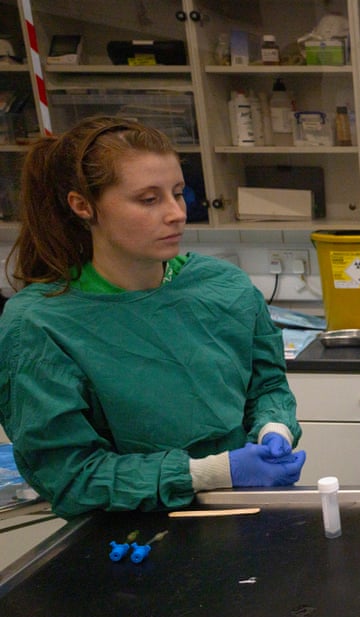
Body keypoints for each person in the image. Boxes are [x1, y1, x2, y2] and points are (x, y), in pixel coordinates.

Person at [0, 116, 305, 517]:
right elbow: (70, 477)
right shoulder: (41, 325)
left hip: (245, 512)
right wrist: (209, 472)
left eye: (178, 193)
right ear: (83, 205)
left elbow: (266, 386)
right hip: (128, 535)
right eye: (149, 199)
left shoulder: (222, 287)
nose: (177, 213)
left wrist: (273, 428)